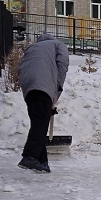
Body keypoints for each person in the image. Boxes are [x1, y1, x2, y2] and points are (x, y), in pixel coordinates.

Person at [17, 33, 69, 173]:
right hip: (43, 84)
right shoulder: (58, 45)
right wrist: (55, 94)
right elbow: (62, 68)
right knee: (41, 121)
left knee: (38, 122)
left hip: (28, 85)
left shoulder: (33, 47)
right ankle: (30, 156)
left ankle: (42, 161)